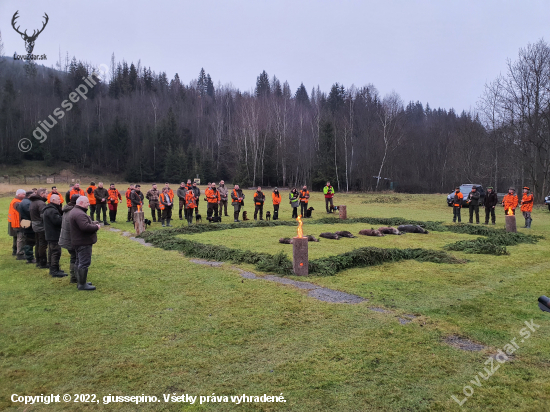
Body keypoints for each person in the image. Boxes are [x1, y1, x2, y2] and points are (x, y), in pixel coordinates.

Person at [68, 196, 100, 291]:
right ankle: (82, 284)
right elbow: (85, 227)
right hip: (83, 242)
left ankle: (80, 281)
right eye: (87, 202)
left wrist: (92, 223)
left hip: (78, 241)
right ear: (81, 203)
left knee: (79, 261)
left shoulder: (75, 211)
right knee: (84, 263)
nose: (89, 204)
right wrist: (96, 227)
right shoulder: (79, 214)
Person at [42, 194, 67, 278]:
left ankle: (53, 268)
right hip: (54, 235)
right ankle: (54, 270)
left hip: (50, 234)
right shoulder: (52, 210)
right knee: (56, 252)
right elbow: (58, 222)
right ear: (53, 200)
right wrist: (63, 217)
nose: (60, 201)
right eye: (58, 200)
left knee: (51, 252)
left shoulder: (49, 209)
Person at [59, 194, 81, 284]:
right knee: (76, 258)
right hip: (72, 239)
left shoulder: (67, 210)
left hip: (67, 238)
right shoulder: (73, 212)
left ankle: (74, 277)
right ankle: (76, 277)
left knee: (74, 258)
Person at [29, 188, 49, 268]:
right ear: (42, 194)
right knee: (43, 244)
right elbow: (43, 215)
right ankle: (43, 262)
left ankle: (38, 260)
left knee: (38, 243)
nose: (47, 195)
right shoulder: (41, 203)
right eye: (46, 193)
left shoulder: (33, 202)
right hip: (41, 226)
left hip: (35, 225)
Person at [18, 191, 37, 264]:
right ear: (30, 195)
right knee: (29, 241)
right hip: (27, 222)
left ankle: (29, 256)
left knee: (28, 240)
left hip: (25, 222)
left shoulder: (25, 201)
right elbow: (30, 212)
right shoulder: (27, 203)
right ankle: (29, 258)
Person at [8, 189, 26, 258]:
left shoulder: (15, 201)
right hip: (17, 223)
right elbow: (22, 211)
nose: (25, 196)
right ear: (19, 195)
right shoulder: (17, 203)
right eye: (23, 194)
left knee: (16, 238)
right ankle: (20, 253)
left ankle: (15, 251)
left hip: (13, 222)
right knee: (20, 238)